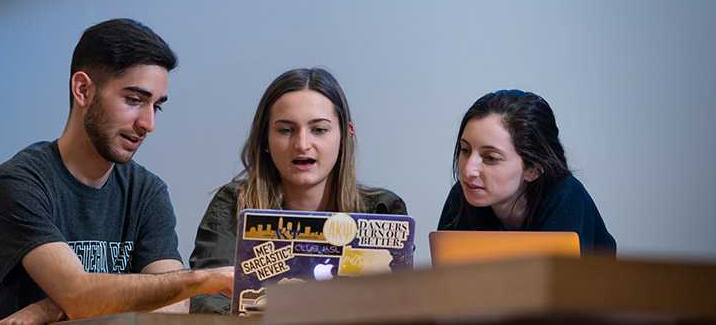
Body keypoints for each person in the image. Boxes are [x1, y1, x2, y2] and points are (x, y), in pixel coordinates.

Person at [0, 19, 233, 324]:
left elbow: (173, 309)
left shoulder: (146, 191)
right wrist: (200, 279)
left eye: (156, 106)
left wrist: (53, 307)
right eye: (134, 100)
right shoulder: (18, 184)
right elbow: (79, 294)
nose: (148, 123)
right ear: (83, 90)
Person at [189, 68, 408, 314]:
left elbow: (397, 307)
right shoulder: (234, 203)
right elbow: (206, 299)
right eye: (285, 130)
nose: (302, 144)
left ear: (346, 134)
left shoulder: (382, 210)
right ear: (265, 139)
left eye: (319, 130)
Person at [437, 89, 616, 255]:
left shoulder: (566, 196)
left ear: (534, 169)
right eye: (465, 150)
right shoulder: (464, 194)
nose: (468, 170)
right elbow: (447, 283)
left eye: (490, 158)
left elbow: (557, 287)